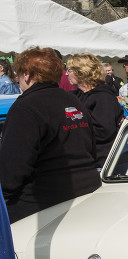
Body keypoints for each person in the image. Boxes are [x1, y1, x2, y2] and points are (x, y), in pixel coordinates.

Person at [0, 47, 100, 222]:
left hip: (43, 199)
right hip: (85, 189)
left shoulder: (26, 106)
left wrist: (6, 193)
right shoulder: (73, 100)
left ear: (27, 75)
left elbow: (14, 166)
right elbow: (90, 146)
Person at [67, 53, 124, 167]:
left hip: (102, 162)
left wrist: (72, 132)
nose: (66, 73)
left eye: (69, 70)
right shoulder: (78, 95)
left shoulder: (103, 97)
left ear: (81, 72)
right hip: (85, 159)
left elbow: (103, 132)